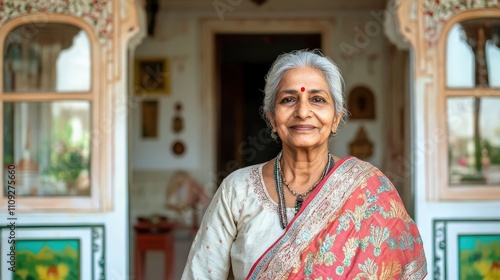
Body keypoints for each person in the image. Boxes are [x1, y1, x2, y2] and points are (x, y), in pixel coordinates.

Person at [182, 50, 427, 279]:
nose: (302, 111)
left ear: (336, 118)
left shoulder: (370, 190)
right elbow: (201, 273)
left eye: (317, 99)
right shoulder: (238, 190)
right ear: (272, 119)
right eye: (289, 99)